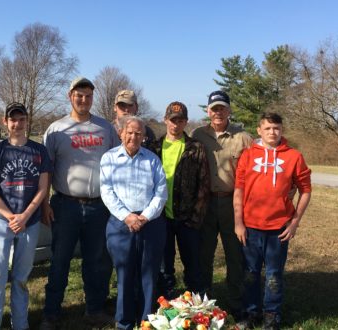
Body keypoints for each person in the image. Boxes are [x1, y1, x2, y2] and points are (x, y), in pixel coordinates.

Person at [40, 77, 120, 329]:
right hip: (66, 205)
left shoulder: (105, 129)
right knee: (60, 260)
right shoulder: (55, 130)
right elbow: (46, 170)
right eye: (79, 95)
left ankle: (94, 309)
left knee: (95, 261)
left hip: (99, 205)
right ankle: (51, 313)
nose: (83, 99)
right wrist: (44, 204)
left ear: (92, 98)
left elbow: (118, 164)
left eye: (87, 95)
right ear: (70, 96)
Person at [233, 112, 311, 330]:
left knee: (274, 275)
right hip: (250, 227)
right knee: (250, 273)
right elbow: (238, 189)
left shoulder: (294, 156)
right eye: (267, 128)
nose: (272, 132)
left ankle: (271, 315)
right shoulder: (248, 155)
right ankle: (250, 313)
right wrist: (238, 221)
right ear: (259, 130)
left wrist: (295, 222)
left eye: (276, 128)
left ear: (281, 130)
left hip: (279, 229)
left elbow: (305, 190)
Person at [0, 102, 53, 330]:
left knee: (21, 280)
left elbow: (43, 188)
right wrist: (11, 216)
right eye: (13, 119)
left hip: (29, 222)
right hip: (2, 222)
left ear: (27, 121)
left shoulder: (39, 150)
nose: (17, 124)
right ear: (5, 121)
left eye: (21, 119)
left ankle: (20, 325)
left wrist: (25, 215)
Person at [100, 115, 168, 330]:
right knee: (124, 272)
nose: (133, 136)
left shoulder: (152, 160)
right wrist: (127, 216)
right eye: (129, 132)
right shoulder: (109, 158)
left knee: (149, 273)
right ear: (121, 134)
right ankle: (124, 321)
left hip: (150, 223)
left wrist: (145, 216)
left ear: (144, 136)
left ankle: (147, 320)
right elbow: (107, 191)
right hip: (121, 223)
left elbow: (161, 192)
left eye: (138, 133)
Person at [191, 90, 252, 320]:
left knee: (235, 255)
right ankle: (205, 304)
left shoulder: (243, 137)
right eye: (214, 108)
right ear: (208, 111)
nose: (218, 112)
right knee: (204, 254)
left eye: (222, 108)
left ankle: (237, 302)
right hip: (205, 203)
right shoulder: (197, 134)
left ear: (229, 111)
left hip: (232, 203)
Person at [151, 102, 210, 298]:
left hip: (187, 218)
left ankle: (196, 303)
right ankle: (165, 303)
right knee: (164, 265)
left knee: (192, 264)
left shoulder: (195, 148)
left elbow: (203, 184)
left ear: (186, 122)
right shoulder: (154, 147)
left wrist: (196, 218)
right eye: (172, 120)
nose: (176, 124)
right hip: (161, 217)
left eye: (181, 120)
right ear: (165, 120)